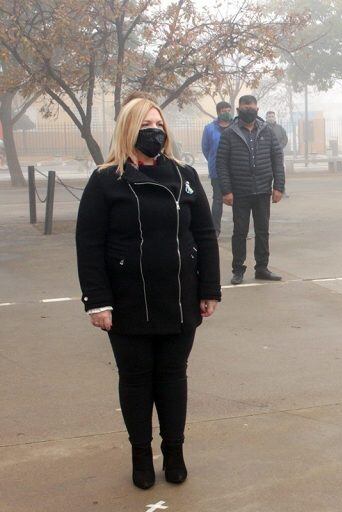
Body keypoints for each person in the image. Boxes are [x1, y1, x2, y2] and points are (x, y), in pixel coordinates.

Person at [76, 95, 221, 489]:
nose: (154, 130)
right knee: (136, 379)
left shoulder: (185, 175)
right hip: (127, 304)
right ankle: (141, 453)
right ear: (128, 129)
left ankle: (174, 450)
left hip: (179, 299)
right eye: (145, 124)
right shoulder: (107, 180)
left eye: (159, 124)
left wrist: (209, 288)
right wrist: (97, 301)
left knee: (173, 378)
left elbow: (205, 235)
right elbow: (89, 244)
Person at [217, 95, 285, 284]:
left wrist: (279, 186)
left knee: (263, 231)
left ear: (257, 108)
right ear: (238, 109)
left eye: (252, 106)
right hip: (240, 191)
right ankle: (238, 270)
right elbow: (221, 164)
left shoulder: (267, 131)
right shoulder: (229, 133)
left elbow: (277, 159)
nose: (249, 109)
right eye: (245, 106)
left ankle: (262, 268)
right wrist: (226, 190)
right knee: (240, 232)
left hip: (263, 190)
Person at [201, 101, 233, 236]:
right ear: (218, 112)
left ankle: (240, 228)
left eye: (228, 110)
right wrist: (215, 162)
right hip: (217, 171)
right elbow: (206, 148)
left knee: (239, 201)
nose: (227, 113)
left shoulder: (236, 126)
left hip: (236, 170)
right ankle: (215, 230)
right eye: (224, 110)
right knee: (218, 200)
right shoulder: (209, 129)